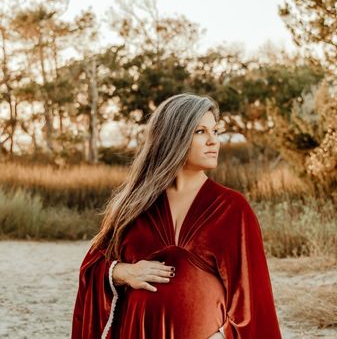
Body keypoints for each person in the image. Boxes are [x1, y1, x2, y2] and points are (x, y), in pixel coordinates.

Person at [71, 93, 282, 339]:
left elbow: (253, 298)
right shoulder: (134, 205)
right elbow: (91, 269)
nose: (213, 141)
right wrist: (123, 272)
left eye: (215, 131)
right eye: (200, 132)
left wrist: (224, 336)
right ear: (173, 137)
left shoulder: (232, 209)